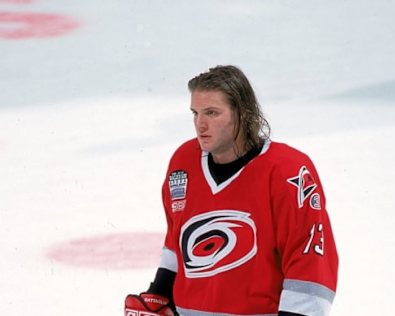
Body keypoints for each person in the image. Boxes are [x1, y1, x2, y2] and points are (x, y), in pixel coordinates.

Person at [124, 65, 339, 316]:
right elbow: (177, 238)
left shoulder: (288, 171)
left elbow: (310, 262)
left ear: (243, 113)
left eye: (212, 113)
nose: (200, 124)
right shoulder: (184, 162)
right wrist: (160, 294)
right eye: (195, 113)